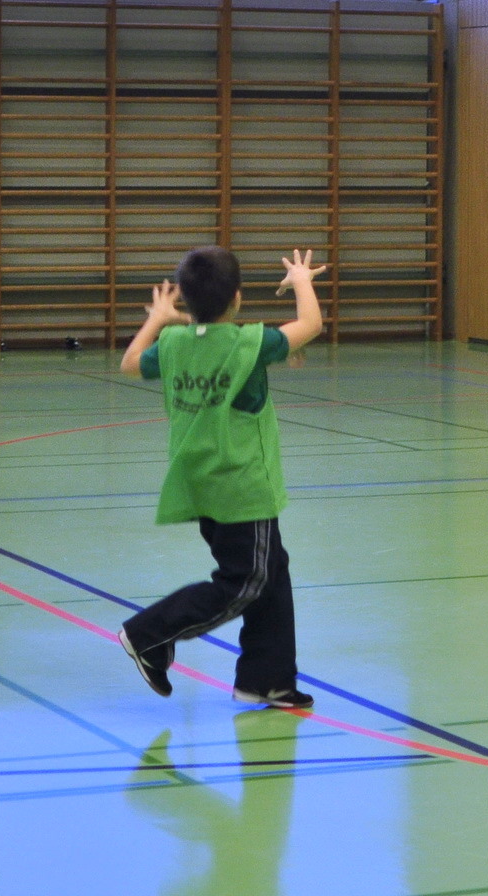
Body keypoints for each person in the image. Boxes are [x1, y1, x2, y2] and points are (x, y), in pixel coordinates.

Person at [115, 246, 326, 710]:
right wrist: (301, 279)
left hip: (201, 484)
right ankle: (148, 634)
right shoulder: (248, 343)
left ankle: (266, 679)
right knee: (247, 582)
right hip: (242, 488)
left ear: (186, 300)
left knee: (272, 572)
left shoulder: (174, 344)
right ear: (237, 298)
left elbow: (131, 362)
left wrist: (158, 319)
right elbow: (311, 325)